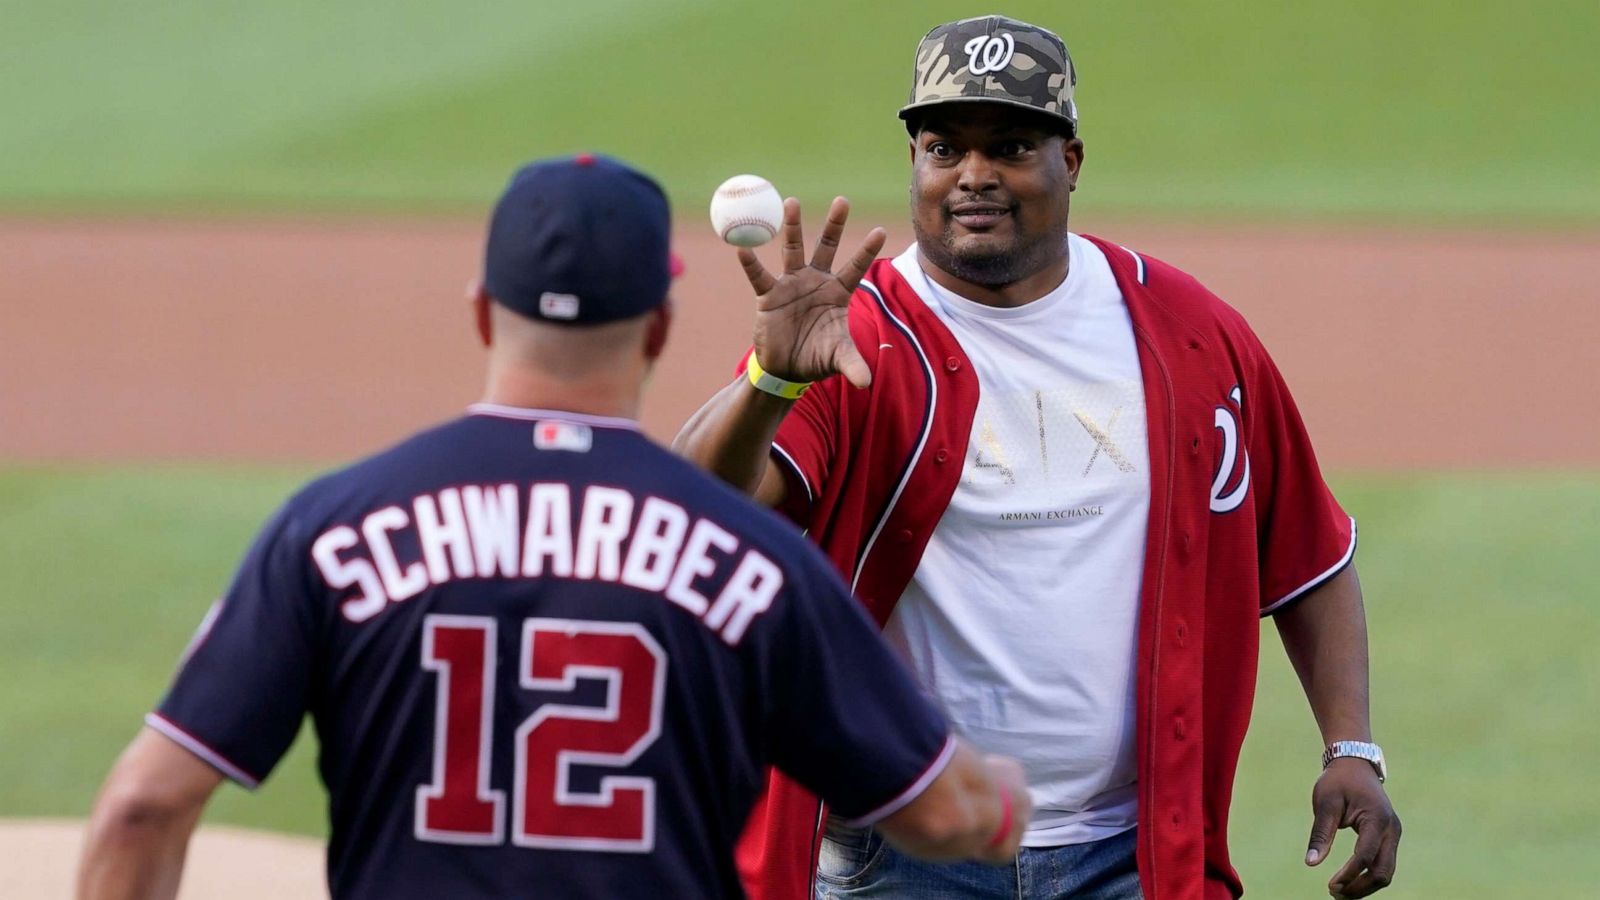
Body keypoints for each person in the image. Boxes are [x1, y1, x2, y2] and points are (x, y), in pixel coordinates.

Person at [76, 154, 1036, 900]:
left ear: (483, 314)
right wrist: (1007, 802)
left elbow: (142, 807)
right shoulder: (749, 561)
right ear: (659, 328)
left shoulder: (333, 531)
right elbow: (946, 816)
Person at [674, 15, 1401, 900]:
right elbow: (701, 508)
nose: (973, 176)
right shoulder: (860, 338)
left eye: (1011, 145)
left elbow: (1306, 555)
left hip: (1134, 852)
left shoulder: (1190, 334)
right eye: (944, 148)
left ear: (1072, 162)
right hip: (903, 859)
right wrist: (768, 381)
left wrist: (1351, 747)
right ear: (915, 165)